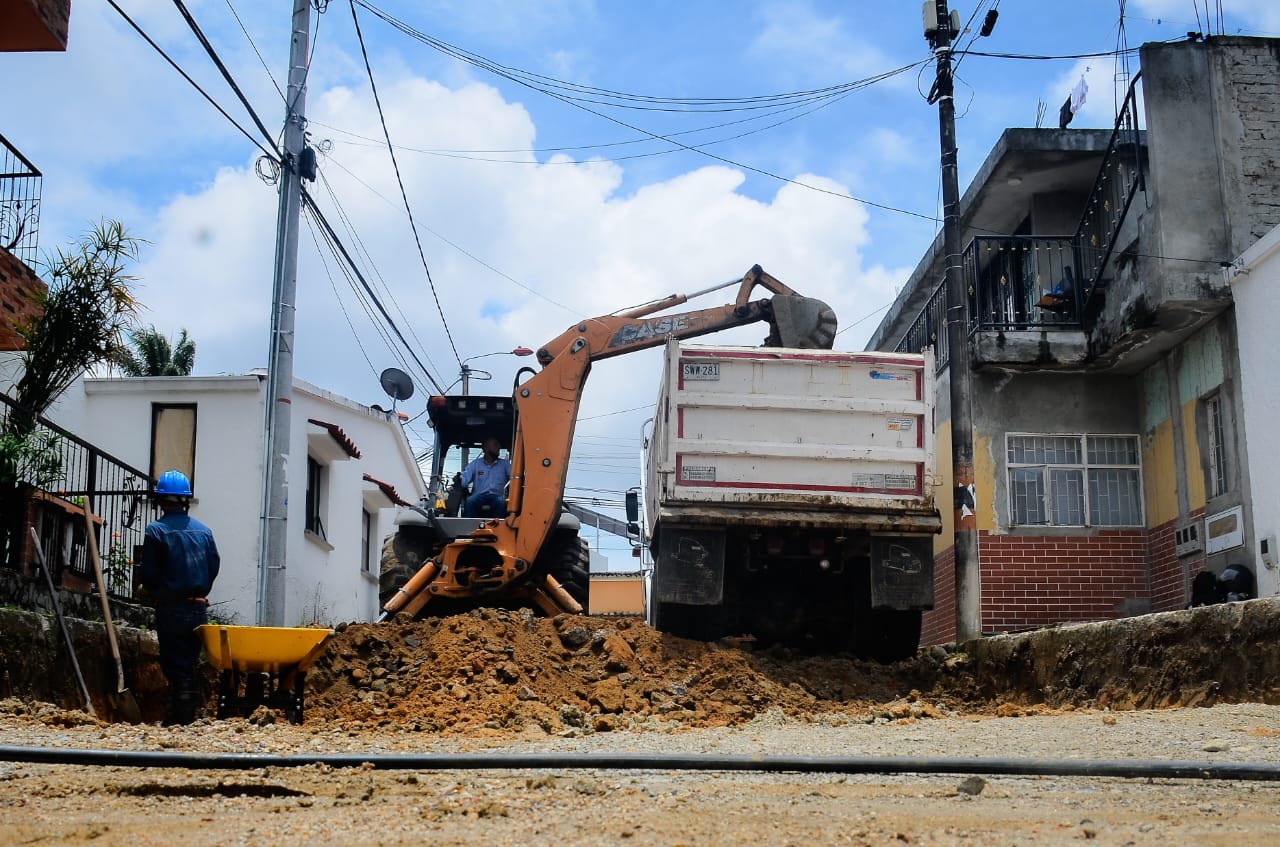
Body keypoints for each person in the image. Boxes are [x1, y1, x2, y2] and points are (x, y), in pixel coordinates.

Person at [136, 469, 220, 726]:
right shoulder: (204, 532)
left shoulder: (156, 531)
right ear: (185, 500)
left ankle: (178, 721)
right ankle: (185, 717)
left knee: (175, 665)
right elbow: (214, 565)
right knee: (189, 662)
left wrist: (148, 588)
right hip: (198, 608)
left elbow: (149, 573)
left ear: (160, 500)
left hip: (171, 607)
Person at [454, 436, 511, 518]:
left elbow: (514, 478)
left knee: (501, 502)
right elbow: (464, 480)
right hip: (479, 497)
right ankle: (469, 528)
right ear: (486, 448)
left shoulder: (505, 464)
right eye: (495, 445)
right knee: (470, 501)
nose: (499, 447)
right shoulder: (475, 464)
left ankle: (498, 528)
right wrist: (459, 479)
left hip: (498, 496)